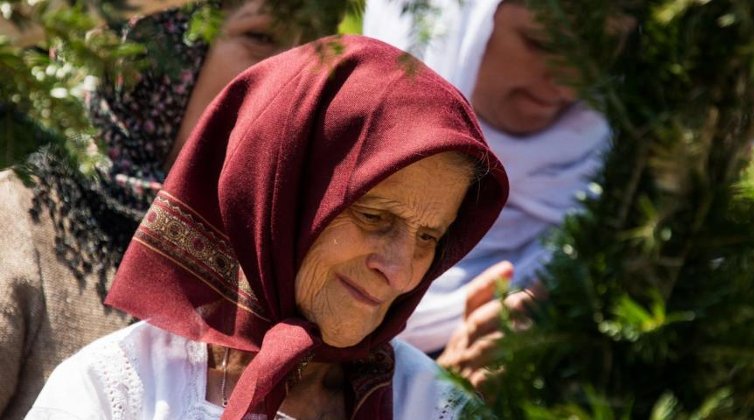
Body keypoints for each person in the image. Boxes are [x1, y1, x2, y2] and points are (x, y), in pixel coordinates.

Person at [25, 36, 509, 419]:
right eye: (374, 217)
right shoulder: (119, 390)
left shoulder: (434, 408)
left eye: (428, 237)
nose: (400, 271)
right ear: (278, 197)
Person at [0, 1, 340, 417]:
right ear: (156, 49)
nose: (292, 78)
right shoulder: (26, 213)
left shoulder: (292, 256)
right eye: (261, 38)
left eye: (314, 54)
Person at [364, 0, 627, 387]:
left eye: (601, 51)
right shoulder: (331, 174)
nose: (569, 81)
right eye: (540, 42)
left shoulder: (636, 205)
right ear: (458, 21)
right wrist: (437, 397)